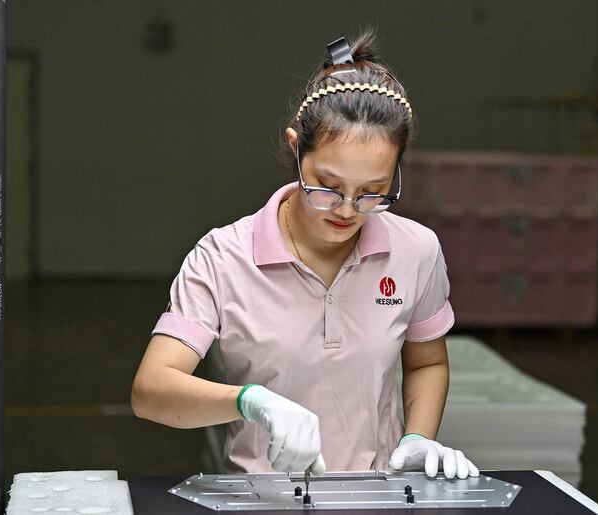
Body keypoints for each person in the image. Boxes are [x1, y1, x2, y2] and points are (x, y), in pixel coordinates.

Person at [131, 30, 479, 480]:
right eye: (328, 187)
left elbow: (427, 361)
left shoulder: (415, 250)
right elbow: (152, 390)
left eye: (373, 192)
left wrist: (418, 437)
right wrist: (248, 401)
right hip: (260, 499)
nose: (348, 210)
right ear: (296, 148)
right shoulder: (223, 257)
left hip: (378, 495)